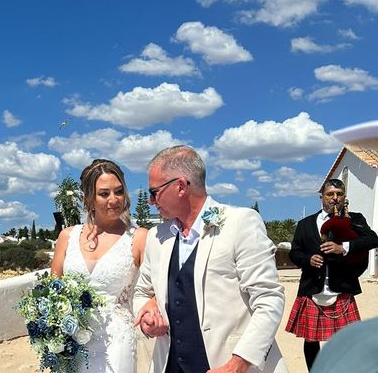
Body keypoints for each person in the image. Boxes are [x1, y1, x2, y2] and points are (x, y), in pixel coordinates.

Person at [134, 145, 286, 373]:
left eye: (154, 192)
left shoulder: (240, 223)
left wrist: (239, 363)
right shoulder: (157, 236)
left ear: (181, 186)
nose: (151, 202)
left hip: (229, 366)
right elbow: (142, 292)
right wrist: (147, 315)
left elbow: (269, 299)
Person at [51, 158, 149, 372]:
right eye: (104, 193)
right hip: (72, 340)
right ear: (89, 198)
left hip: (116, 339)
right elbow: (52, 291)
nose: (114, 199)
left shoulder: (139, 237)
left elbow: (156, 285)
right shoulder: (67, 236)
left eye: (119, 191)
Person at [285, 178, 378, 370]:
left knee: (349, 340)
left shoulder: (355, 220)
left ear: (344, 197)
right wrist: (307, 259)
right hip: (312, 288)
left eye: (339, 194)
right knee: (311, 340)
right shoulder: (305, 224)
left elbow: (372, 240)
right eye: (330, 194)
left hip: (341, 287)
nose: (335, 198)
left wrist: (343, 248)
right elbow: (295, 252)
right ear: (321, 197)